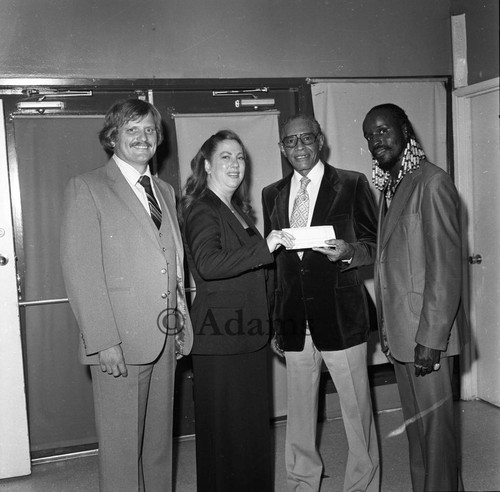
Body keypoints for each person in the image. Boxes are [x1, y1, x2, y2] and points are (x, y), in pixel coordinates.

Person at [60, 98, 193, 491]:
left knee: (157, 448)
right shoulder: (87, 187)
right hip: (118, 343)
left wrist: (181, 321)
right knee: (121, 451)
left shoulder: (165, 190)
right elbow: (81, 271)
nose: (142, 137)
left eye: (149, 130)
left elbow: (171, 262)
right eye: (131, 129)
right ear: (112, 136)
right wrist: (104, 342)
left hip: (164, 338)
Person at [262, 114, 380, 492]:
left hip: (341, 315)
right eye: (290, 141)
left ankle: (361, 485)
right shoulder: (272, 193)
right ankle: (301, 482)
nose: (299, 147)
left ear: (320, 140)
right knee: (298, 412)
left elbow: (375, 246)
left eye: (306, 139)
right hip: (295, 317)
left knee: (356, 411)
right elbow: (277, 265)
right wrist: (276, 320)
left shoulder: (351, 183)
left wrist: (348, 252)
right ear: (282, 148)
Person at [179, 130, 293, 492]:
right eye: (225, 157)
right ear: (208, 165)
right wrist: (267, 247)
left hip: (248, 335)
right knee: (226, 442)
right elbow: (210, 264)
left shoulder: (237, 210)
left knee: (250, 434)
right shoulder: (201, 207)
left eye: (240, 157)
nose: (235, 164)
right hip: (221, 339)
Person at [362, 103, 463, 492]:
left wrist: (432, 339)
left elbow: (445, 266)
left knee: (437, 437)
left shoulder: (431, 182)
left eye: (384, 130)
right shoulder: (394, 184)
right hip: (403, 336)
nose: (377, 140)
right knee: (418, 435)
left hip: (425, 337)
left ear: (405, 130)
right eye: (370, 135)